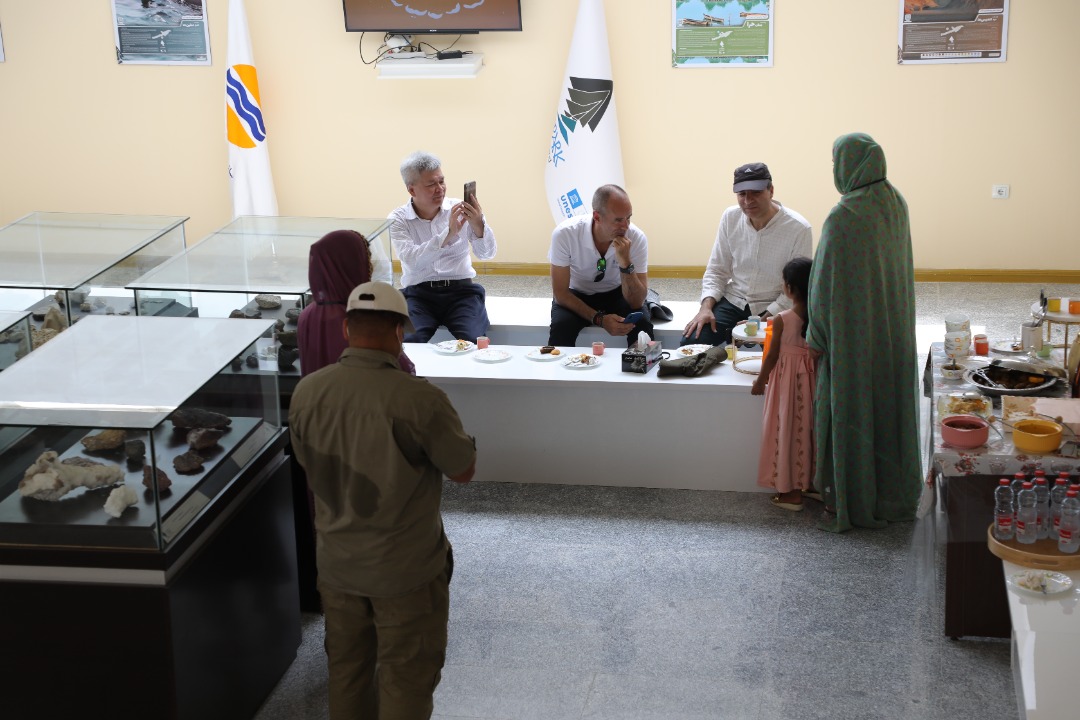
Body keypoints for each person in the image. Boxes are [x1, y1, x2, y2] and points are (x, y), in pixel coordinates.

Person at [289, 281, 477, 719]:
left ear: (346, 330)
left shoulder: (308, 392)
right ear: (398, 332)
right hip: (404, 569)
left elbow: (305, 461)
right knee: (407, 677)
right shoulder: (419, 398)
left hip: (337, 565)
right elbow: (462, 470)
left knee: (348, 674)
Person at [292, 229, 414, 612]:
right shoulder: (356, 320)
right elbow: (401, 370)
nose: (369, 266)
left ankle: (335, 594)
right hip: (366, 435)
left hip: (322, 436)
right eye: (364, 259)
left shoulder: (308, 315)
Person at [807, 132, 921, 532]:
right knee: (888, 409)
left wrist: (816, 336)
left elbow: (823, 287)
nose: (833, 169)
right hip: (890, 327)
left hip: (853, 337)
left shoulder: (844, 216)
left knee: (854, 411)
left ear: (848, 165)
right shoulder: (895, 203)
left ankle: (854, 496)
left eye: (834, 161)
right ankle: (891, 492)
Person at [682, 162, 812, 347]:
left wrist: (761, 323)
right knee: (691, 344)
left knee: (783, 357)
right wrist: (705, 308)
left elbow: (796, 289)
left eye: (756, 193)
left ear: (771, 191)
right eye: (742, 194)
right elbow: (717, 270)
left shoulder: (799, 228)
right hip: (735, 300)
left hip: (774, 306)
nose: (748, 201)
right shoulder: (730, 217)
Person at [389, 150, 497, 343]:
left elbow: (487, 254)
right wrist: (448, 234)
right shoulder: (398, 219)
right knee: (410, 341)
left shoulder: (460, 209)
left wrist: (478, 225)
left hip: (461, 292)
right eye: (431, 184)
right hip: (418, 294)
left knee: (473, 339)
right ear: (412, 190)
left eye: (442, 181)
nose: (440, 189)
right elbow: (413, 262)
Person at [547, 184, 653, 347]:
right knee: (562, 327)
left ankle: (641, 363)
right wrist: (600, 319)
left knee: (642, 324)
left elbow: (637, 302)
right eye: (618, 220)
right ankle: (559, 364)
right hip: (576, 294)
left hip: (618, 292)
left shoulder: (636, 237)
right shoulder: (565, 234)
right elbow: (560, 293)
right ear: (597, 217)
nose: (625, 226)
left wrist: (625, 263)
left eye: (628, 218)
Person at [751, 257, 816, 511]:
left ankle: (791, 492)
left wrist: (760, 380)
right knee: (808, 429)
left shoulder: (782, 319)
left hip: (788, 383)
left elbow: (772, 356)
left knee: (786, 429)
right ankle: (811, 483)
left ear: (789, 288)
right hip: (812, 381)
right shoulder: (819, 317)